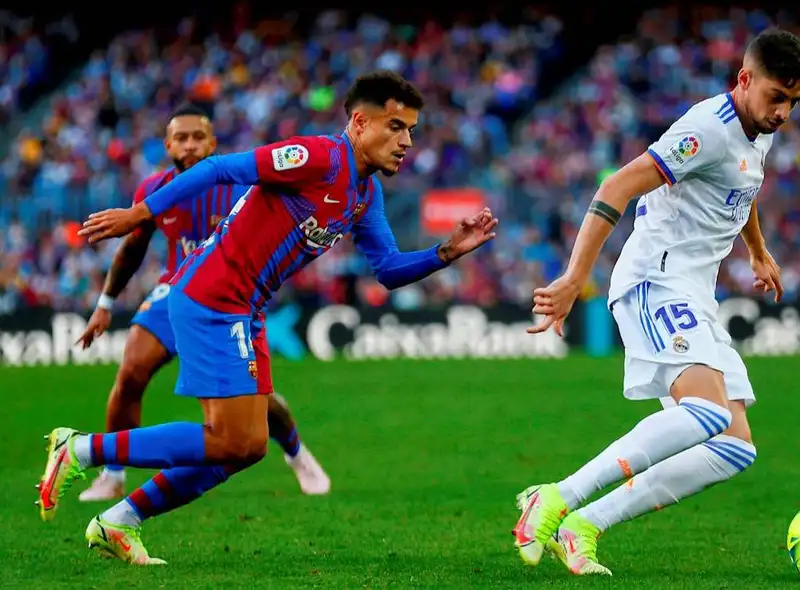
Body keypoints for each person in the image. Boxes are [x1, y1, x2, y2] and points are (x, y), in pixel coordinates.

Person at [38, 70, 498, 565]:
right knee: (229, 437)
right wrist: (139, 213)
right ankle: (81, 451)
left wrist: (446, 252)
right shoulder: (317, 157)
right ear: (360, 123)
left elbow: (387, 269)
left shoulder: (365, 194)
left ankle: (119, 521)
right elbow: (218, 170)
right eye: (396, 127)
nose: (406, 141)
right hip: (212, 295)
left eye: (411, 130)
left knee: (246, 447)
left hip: (246, 308)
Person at [511, 29, 800, 576]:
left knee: (734, 445)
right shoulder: (707, 131)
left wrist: (759, 251)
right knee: (704, 414)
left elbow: (743, 189)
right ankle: (556, 497)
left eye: (794, 101)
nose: (784, 113)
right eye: (776, 97)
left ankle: (585, 526)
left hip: (696, 293)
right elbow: (616, 187)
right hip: (656, 280)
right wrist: (574, 278)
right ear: (744, 79)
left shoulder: (757, 129)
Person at [75, 105, 330, 502]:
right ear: (168, 145)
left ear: (213, 143)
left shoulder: (239, 187)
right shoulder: (153, 190)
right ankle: (112, 473)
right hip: (173, 292)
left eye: (199, 137)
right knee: (130, 373)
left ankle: (297, 452)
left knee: (257, 403)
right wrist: (105, 303)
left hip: (226, 302)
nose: (191, 145)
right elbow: (133, 250)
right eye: (182, 138)